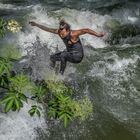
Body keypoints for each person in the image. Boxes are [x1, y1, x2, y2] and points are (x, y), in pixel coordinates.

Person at [29, 20, 105, 75]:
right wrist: (36, 24)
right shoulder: (59, 31)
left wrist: (98, 35)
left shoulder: (73, 34)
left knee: (63, 54)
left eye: (63, 32)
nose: (61, 34)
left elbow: (86, 30)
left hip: (77, 56)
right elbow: (47, 29)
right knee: (52, 57)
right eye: (60, 31)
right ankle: (51, 72)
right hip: (70, 54)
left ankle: (60, 75)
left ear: (68, 30)